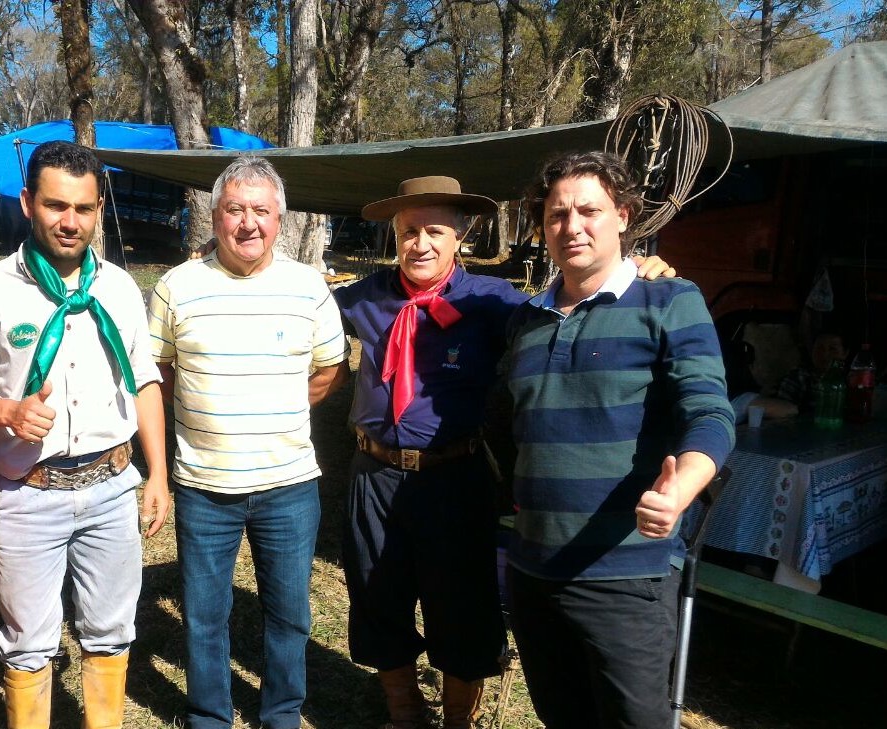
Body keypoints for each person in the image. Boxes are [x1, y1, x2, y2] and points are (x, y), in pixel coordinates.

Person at [334, 175, 676, 729]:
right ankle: (403, 710)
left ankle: (457, 721)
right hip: (372, 472)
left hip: (452, 475)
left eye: (434, 231)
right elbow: (298, 308)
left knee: (461, 604)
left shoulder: (492, 302)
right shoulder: (368, 296)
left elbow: (572, 311)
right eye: (408, 232)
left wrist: (639, 276)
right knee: (376, 592)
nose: (420, 243)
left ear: (460, 237)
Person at [503, 151, 736, 729]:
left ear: (625, 216)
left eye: (590, 211)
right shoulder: (526, 320)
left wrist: (680, 488)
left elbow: (710, 411)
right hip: (534, 570)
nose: (572, 227)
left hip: (625, 574)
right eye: (557, 214)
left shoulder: (670, 301)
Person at [0, 141, 169, 729]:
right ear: (27, 203)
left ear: (99, 210)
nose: (70, 222)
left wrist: (158, 478)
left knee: (111, 633)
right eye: (55, 205)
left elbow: (145, 382)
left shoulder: (120, 288)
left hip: (113, 486)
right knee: (29, 642)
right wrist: (6, 412)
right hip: (30, 493)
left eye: (84, 208)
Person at [147, 156, 348, 729]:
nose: (248, 223)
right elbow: (157, 373)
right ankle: (210, 715)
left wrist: (272, 407)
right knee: (205, 615)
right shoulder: (176, 287)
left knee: (289, 615)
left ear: (280, 219)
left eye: (261, 210)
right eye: (235, 209)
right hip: (203, 488)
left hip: (288, 487)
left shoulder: (308, 288)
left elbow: (328, 372)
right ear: (215, 216)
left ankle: (282, 713)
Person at [777, 331, 847, 414]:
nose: (825, 354)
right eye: (819, 348)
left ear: (845, 353)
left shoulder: (851, 380)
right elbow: (781, 410)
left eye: (832, 349)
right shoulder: (799, 377)